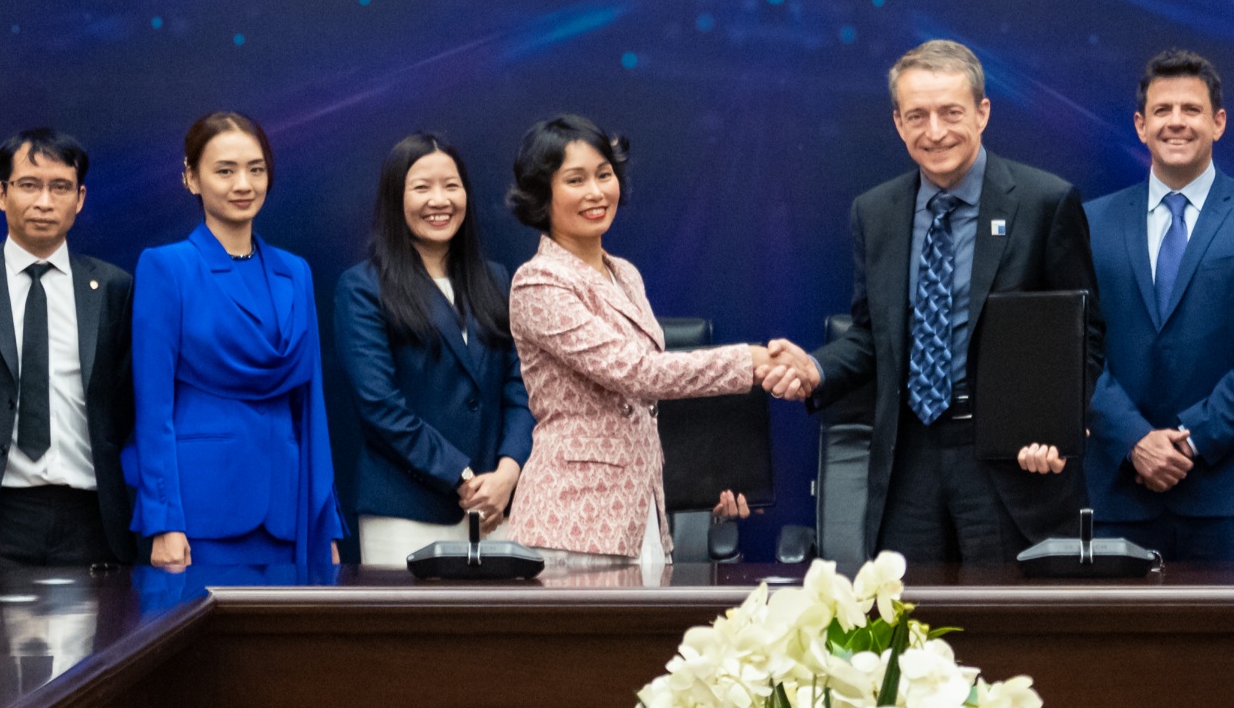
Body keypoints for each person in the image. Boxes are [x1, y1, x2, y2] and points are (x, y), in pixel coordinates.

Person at [803, 40, 1102, 565]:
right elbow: (872, 336)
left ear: (983, 112)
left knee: (1007, 636)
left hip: (1010, 462)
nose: (935, 131)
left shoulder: (1044, 202)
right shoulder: (874, 212)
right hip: (907, 462)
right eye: (917, 115)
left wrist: (1055, 428)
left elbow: (1084, 335)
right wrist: (813, 368)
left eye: (950, 112)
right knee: (906, 628)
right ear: (898, 123)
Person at [1014, 50, 1234, 562]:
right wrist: (1134, 440)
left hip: (1232, 498)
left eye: (1192, 110)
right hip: (1115, 493)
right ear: (1140, 125)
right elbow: (1072, 346)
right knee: (1118, 646)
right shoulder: (1090, 221)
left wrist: (1191, 441)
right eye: (1162, 110)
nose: (1176, 122)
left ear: (1218, 122)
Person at [504, 115, 806, 565]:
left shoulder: (624, 273)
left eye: (604, 175)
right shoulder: (539, 283)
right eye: (575, 179)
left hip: (642, 515)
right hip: (571, 521)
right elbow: (638, 374)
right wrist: (752, 361)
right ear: (541, 195)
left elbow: (647, 407)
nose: (596, 192)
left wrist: (714, 480)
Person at [129, 111, 342, 569]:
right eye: (224, 171)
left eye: (256, 169)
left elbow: (311, 407)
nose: (243, 184)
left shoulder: (295, 272)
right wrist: (163, 520)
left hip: (290, 512)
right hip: (202, 512)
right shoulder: (167, 267)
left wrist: (327, 518)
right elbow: (152, 407)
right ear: (191, 178)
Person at [0, 129, 138, 567]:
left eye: (60, 187)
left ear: (80, 198)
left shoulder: (113, 288)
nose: (44, 201)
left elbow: (124, 402)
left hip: (91, 517)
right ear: (2, 193)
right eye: (29, 185)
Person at [334, 133, 534, 567]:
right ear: (395, 198)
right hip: (407, 509)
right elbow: (379, 406)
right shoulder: (363, 287)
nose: (439, 200)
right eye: (422, 187)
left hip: (498, 507)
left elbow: (522, 387)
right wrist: (461, 477)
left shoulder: (496, 280)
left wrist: (507, 473)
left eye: (451, 185)